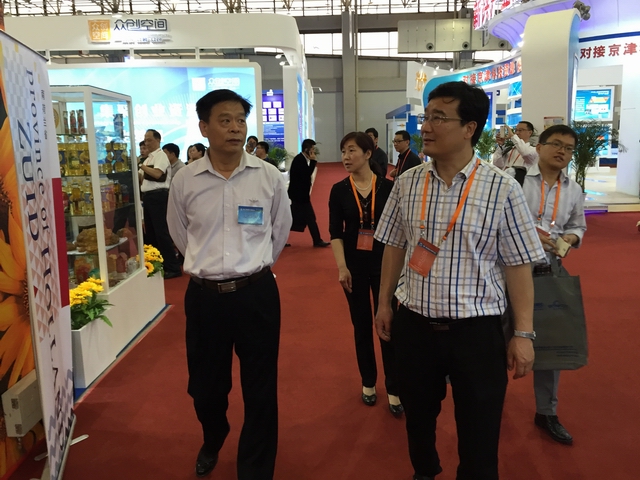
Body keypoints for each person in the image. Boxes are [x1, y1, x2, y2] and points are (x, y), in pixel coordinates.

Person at [374, 81, 546, 480]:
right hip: (415, 326)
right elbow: (394, 246)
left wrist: (523, 334)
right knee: (418, 420)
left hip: (477, 332)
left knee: (480, 430)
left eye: (438, 118)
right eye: (426, 116)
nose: (425, 126)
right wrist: (384, 303)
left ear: (469, 128)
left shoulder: (502, 188)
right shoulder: (407, 182)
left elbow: (518, 265)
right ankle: (425, 472)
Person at [167, 89, 292, 480]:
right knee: (205, 388)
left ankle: (255, 470)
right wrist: (208, 266)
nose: (236, 128)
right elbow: (179, 233)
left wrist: (251, 265)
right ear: (204, 127)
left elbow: (280, 229)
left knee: (260, 388)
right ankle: (214, 433)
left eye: (240, 120)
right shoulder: (185, 180)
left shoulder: (268, 176)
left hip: (256, 294)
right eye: (225, 120)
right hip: (205, 298)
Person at [519, 124, 586, 446]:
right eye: (556, 144)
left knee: (549, 342)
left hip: (549, 270)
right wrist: (530, 234)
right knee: (498, 339)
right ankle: (487, 404)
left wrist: (569, 238)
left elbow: (578, 225)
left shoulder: (573, 189)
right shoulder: (516, 179)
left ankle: (546, 412)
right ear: (539, 146)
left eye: (569, 148)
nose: (563, 151)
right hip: (510, 271)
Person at [329, 132, 402, 417]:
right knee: (361, 326)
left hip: (385, 266)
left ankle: (394, 386)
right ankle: (368, 381)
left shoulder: (388, 188)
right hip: (353, 267)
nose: (346, 157)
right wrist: (342, 267)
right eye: (343, 151)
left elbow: (398, 231)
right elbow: (335, 232)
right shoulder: (339, 190)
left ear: (368, 154)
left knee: (387, 325)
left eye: (352, 151)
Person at [138, 129, 182, 279]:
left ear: (158, 140)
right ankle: (158, 264)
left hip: (159, 196)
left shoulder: (160, 155)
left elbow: (157, 174)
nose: (146, 143)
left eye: (149, 140)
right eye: (145, 140)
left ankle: (173, 267)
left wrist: (141, 166)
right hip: (148, 197)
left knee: (161, 233)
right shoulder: (148, 159)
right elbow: (142, 179)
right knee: (151, 234)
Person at [288, 138, 330, 247]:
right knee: (308, 218)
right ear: (307, 149)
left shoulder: (301, 159)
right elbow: (306, 175)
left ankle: (317, 240)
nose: (314, 151)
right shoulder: (299, 160)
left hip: (300, 196)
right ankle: (317, 240)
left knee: (295, 218)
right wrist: (313, 161)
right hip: (299, 196)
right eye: (312, 149)